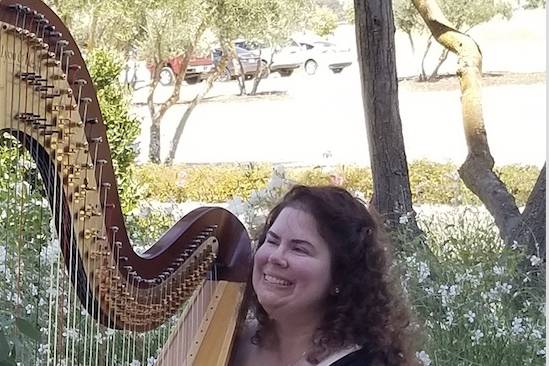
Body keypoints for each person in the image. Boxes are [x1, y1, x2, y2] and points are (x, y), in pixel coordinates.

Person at [231, 185, 419, 366]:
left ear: (340, 275)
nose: (275, 257)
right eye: (272, 241)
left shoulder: (361, 361)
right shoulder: (233, 341)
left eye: (299, 249)